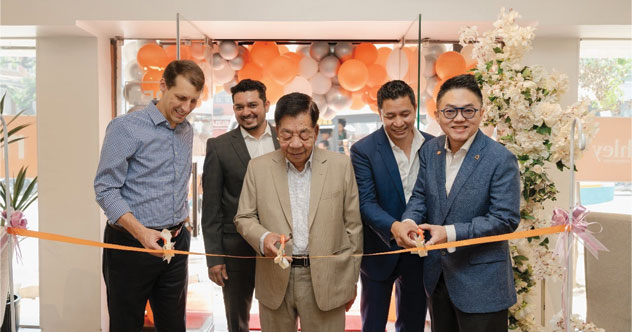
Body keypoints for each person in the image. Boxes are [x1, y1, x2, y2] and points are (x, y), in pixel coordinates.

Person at [392, 74, 521, 332]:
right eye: (450, 111)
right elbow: (420, 196)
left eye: (468, 110)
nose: (459, 118)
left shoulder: (500, 158)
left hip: (482, 285)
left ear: (481, 113)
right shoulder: (430, 150)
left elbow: (505, 219)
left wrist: (449, 233)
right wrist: (408, 221)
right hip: (438, 278)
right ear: (438, 114)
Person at [234, 92, 363, 332]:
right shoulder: (258, 168)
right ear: (276, 131)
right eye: (287, 134)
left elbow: (353, 226)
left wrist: (350, 281)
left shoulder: (340, 166)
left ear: (315, 132)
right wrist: (263, 238)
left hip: (327, 280)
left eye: (304, 134)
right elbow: (244, 217)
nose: (295, 144)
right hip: (274, 278)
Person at [95, 60, 204, 332]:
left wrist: (183, 220)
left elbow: (175, 181)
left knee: (173, 325)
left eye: (193, 101)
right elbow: (105, 188)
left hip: (175, 244)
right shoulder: (126, 128)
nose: (186, 107)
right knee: (126, 325)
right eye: (181, 97)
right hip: (130, 245)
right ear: (163, 86)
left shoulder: (186, 130)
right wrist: (141, 232)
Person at [350, 80, 434, 332]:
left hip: (420, 252)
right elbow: (365, 202)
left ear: (415, 109)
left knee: (413, 324)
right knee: (373, 325)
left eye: (405, 114)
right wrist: (394, 227)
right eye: (390, 116)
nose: (398, 122)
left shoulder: (434, 146)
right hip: (379, 250)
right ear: (380, 114)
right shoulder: (363, 150)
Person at [201, 79, 280, 332]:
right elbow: (211, 207)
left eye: (253, 105)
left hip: (280, 244)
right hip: (235, 247)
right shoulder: (219, 147)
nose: (246, 112)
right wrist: (214, 257)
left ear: (266, 104)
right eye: (239, 107)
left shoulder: (286, 138)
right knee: (237, 318)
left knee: (280, 314)